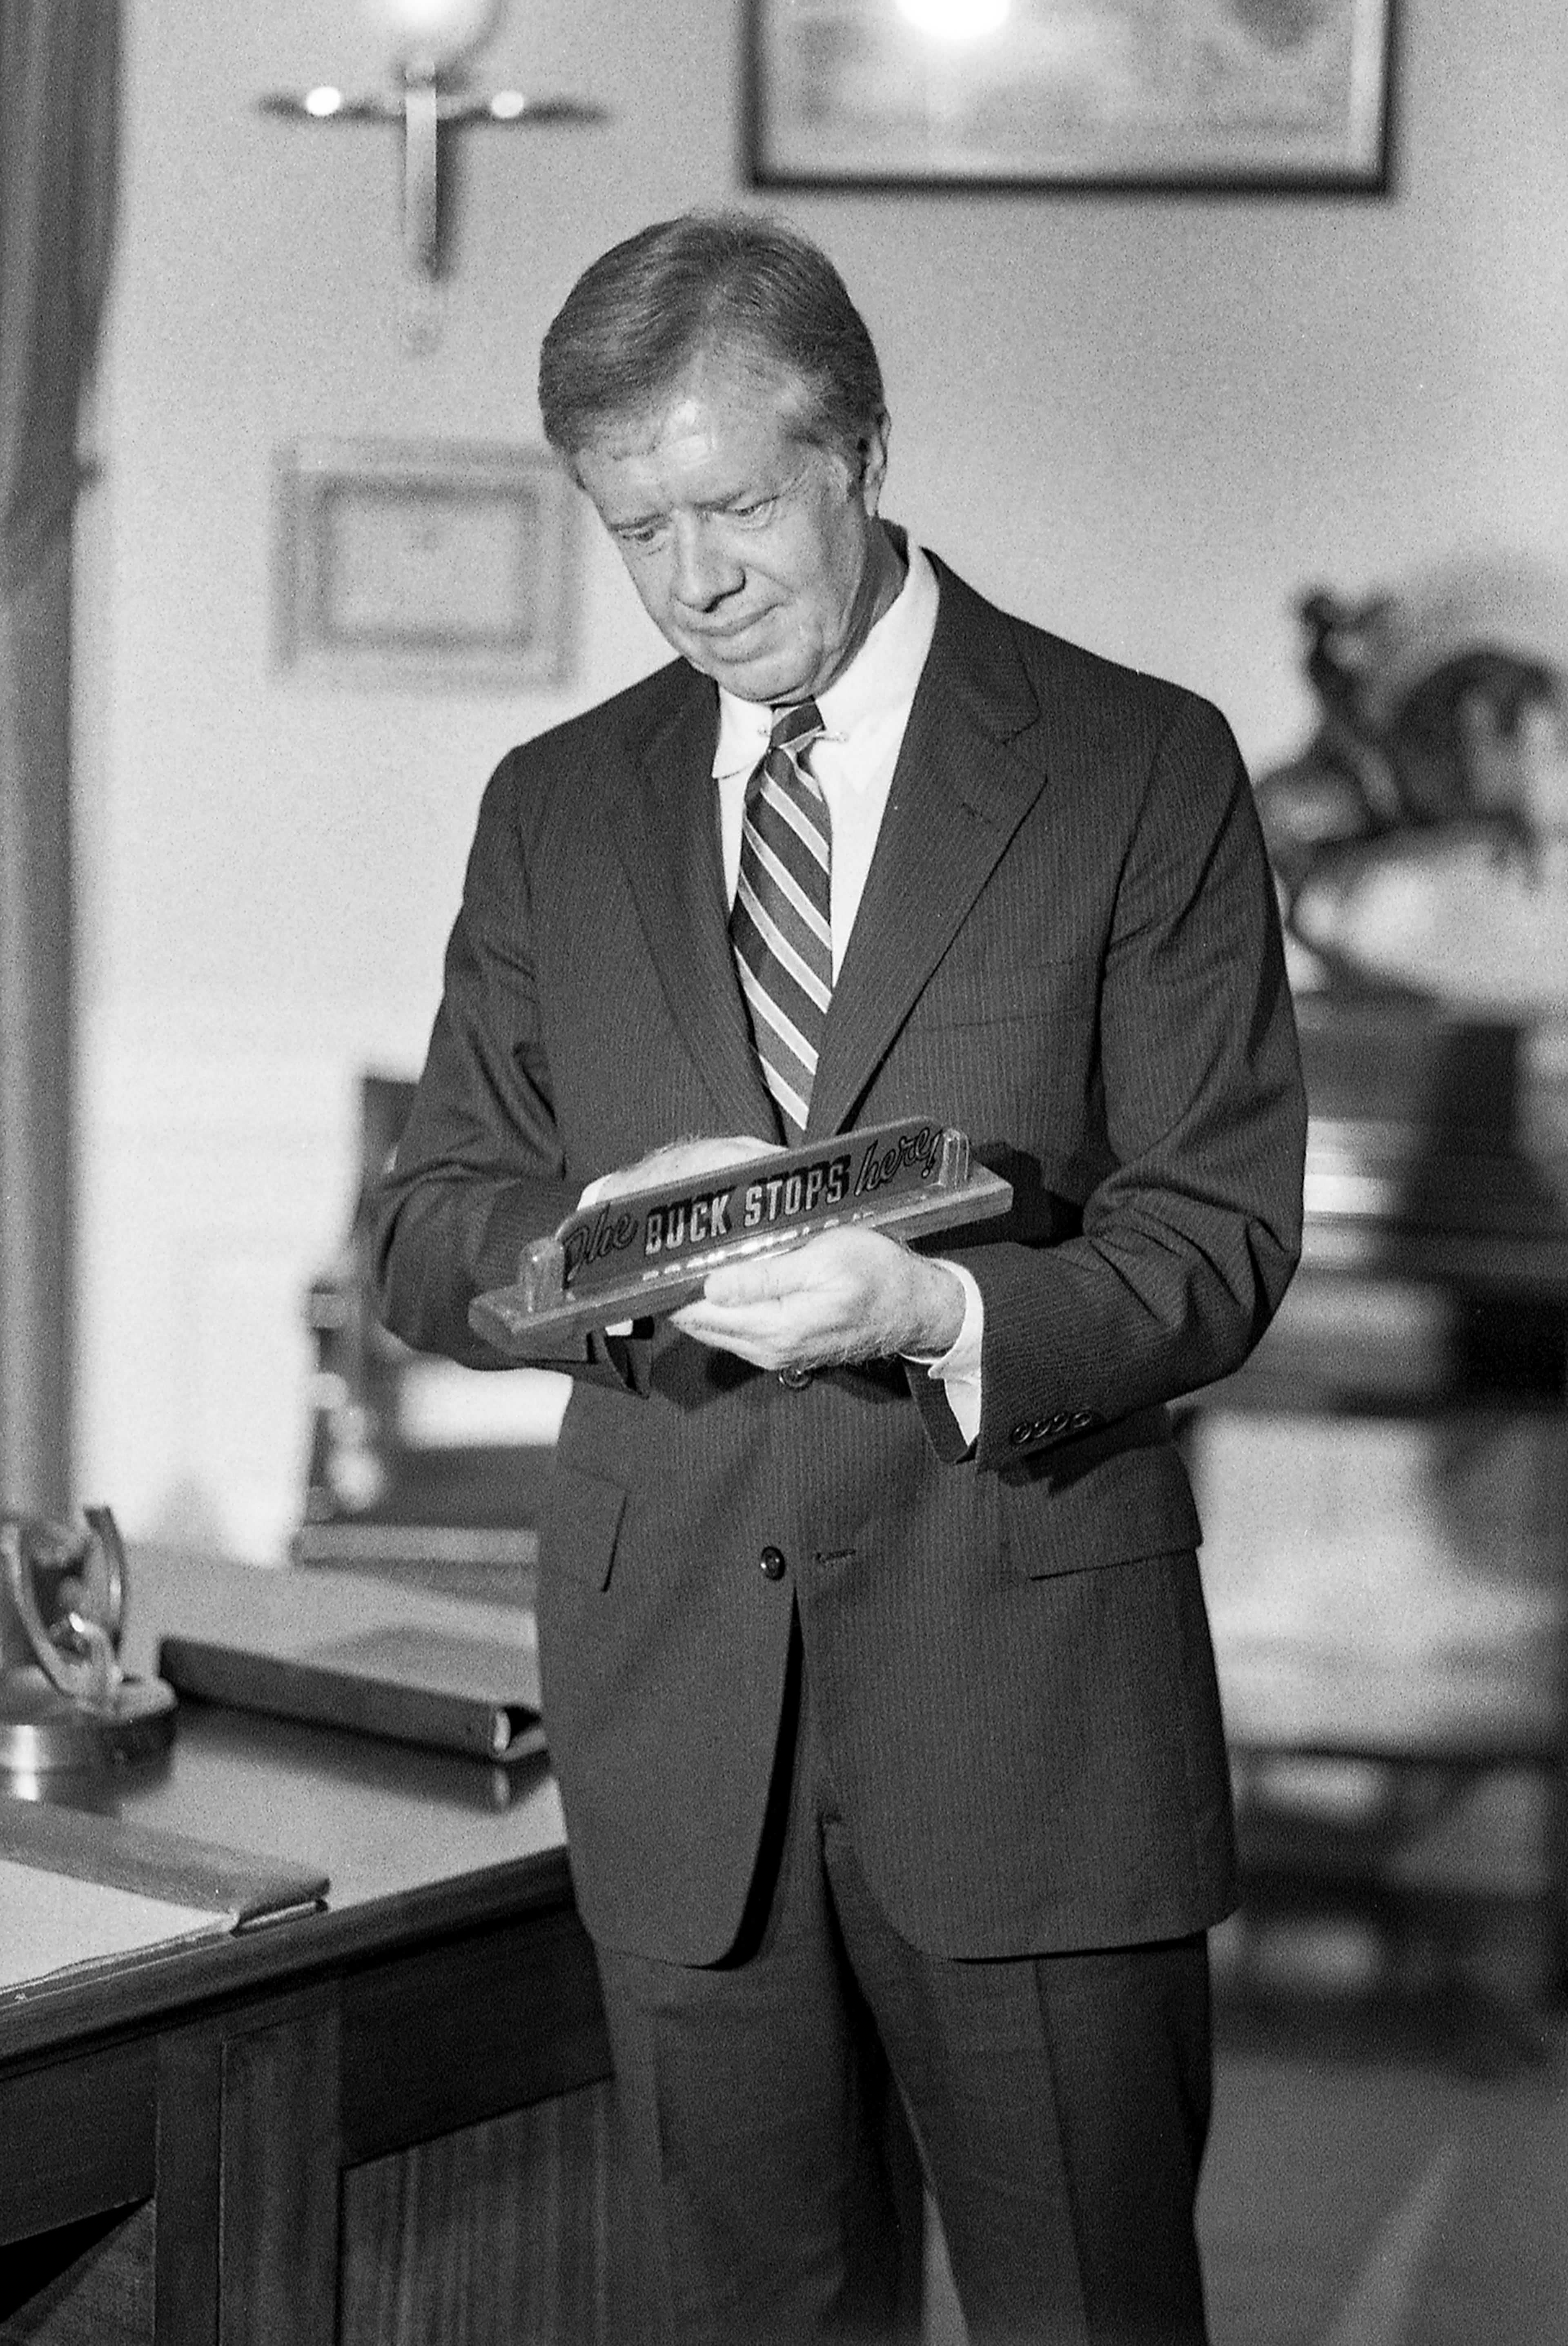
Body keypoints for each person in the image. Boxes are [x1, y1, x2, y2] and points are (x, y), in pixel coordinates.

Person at [375, 209, 1306, 2346]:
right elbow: (429, 1233)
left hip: (1034, 1731)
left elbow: (1222, 1237)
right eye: (637, 530)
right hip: (683, 1740)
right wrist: (620, 1241)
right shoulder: (555, 808)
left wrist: (938, 1313)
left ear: (861, 452)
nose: (690, 580)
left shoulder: (1135, 765)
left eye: (731, 508)